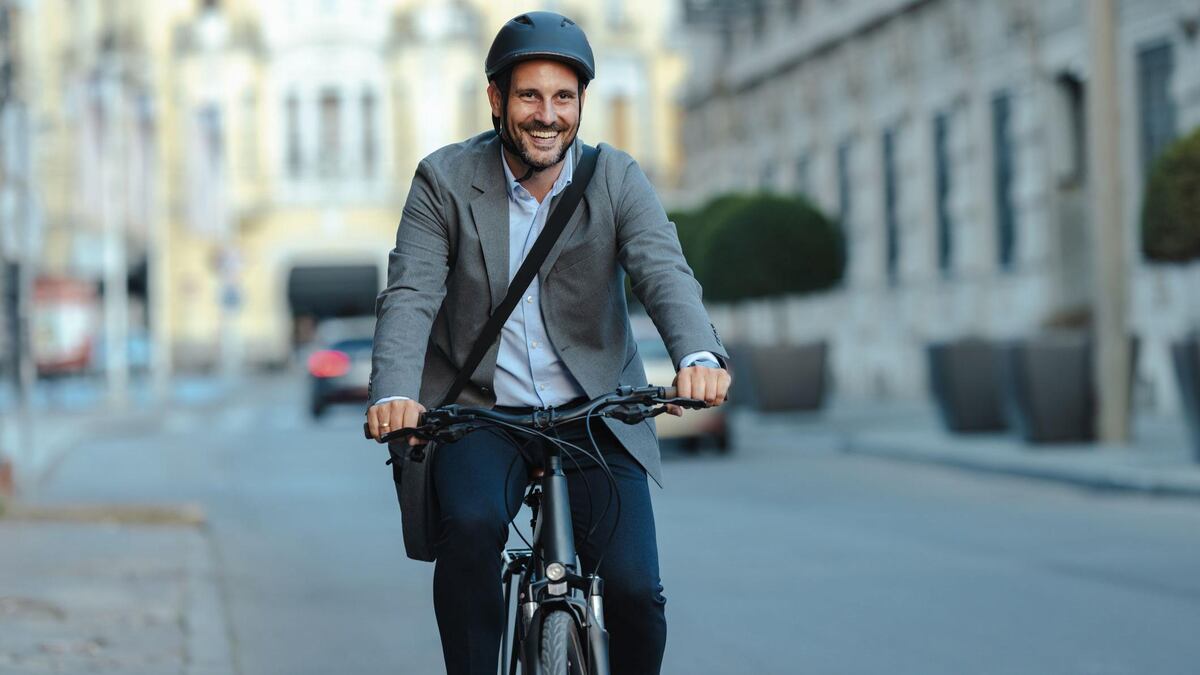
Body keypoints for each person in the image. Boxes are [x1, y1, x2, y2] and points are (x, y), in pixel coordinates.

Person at [366, 11, 730, 675]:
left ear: (581, 104)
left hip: (595, 413)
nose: (547, 115)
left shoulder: (616, 178)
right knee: (472, 529)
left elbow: (663, 270)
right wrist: (395, 392)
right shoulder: (444, 181)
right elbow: (410, 295)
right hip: (481, 414)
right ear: (497, 100)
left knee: (635, 594)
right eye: (529, 95)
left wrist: (697, 357)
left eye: (563, 97)